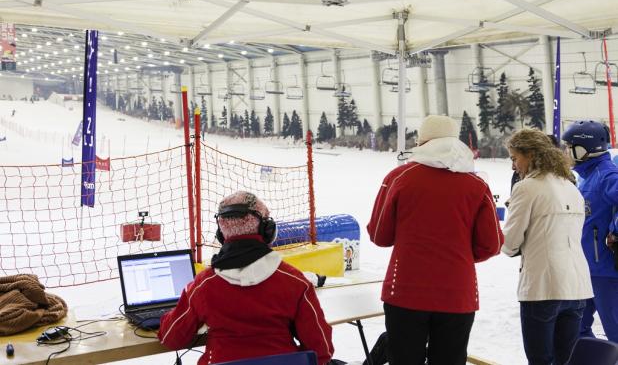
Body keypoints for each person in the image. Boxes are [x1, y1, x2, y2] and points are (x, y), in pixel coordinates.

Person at [367, 115, 504, 365]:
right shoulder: (476, 185)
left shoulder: (399, 178)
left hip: (406, 291)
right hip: (457, 292)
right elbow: (491, 244)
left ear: (422, 142)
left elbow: (379, 235)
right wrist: (459, 254)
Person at [158, 191, 334, 364]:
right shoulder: (295, 281)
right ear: (267, 230)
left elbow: (171, 337)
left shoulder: (203, 285)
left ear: (221, 233)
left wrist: (166, 315)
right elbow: (322, 349)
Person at [502, 129, 593, 365]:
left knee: (540, 360)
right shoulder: (571, 187)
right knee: (564, 360)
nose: (513, 166)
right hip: (576, 287)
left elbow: (510, 244)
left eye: (515, 158)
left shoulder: (526, 188)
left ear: (530, 154)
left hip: (542, 288)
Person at [562, 120, 618, 342]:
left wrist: (615, 231)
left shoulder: (607, 176)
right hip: (586, 268)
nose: (566, 152)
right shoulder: (586, 176)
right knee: (574, 329)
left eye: (570, 147)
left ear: (586, 149)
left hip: (606, 271)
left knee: (614, 330)